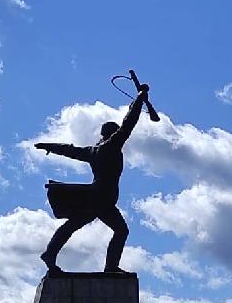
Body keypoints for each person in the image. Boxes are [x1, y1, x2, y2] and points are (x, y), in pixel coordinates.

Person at [35, 83, 150, 274]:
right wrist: (139, 98)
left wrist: (49, 145)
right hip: (102, 198)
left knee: (73, 225)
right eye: (117, 132)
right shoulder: (111, 146)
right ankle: (110, 267)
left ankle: (50, 253)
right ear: (113, 134)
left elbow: (69, 150)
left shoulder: (93, 150)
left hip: (97, 197)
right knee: (121, 231)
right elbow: (129, 121)